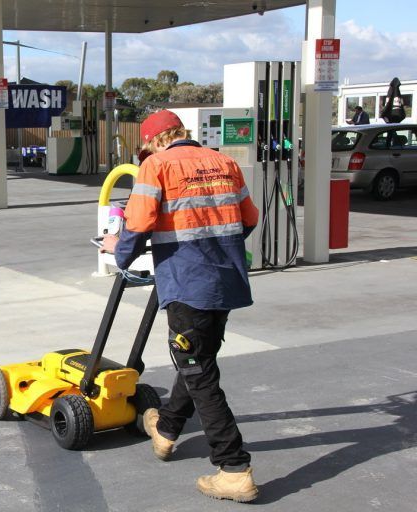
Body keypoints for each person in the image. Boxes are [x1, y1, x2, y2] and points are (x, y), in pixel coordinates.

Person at [101, 110, 260, 503]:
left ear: (154, 141)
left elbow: (137, 225)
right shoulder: (224, 162)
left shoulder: (156, 166)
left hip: (189, 283)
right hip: (225, 279)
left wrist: (117, 252)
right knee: (196, 357)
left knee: (198, 370)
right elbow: (248, 218)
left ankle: (233, 467)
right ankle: (168, 428)